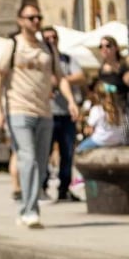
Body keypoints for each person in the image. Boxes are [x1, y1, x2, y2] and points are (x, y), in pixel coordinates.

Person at [0, 4, 78, 228]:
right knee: (28, 158)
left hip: (45, 112)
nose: (36, 21)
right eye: (31, 18)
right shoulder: (12, 46)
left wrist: (70, 101)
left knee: (41, 163)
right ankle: (30, 210)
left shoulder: (47, 49)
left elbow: (60, 78)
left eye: (38, 17)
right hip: (19, 110)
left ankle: (27, 209)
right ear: (20, 20)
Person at [40, 25, 86, 203]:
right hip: (47, 113)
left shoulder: (67, 59)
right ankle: (42, 187)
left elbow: (81, 76)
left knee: (67, 153)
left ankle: (64, 189)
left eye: (54, 38)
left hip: (66, 114)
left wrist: (61, 80)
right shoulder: (41, 61)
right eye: (47, 38)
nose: (51, 41)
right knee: (45, 152)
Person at [76, 81, 129, 155]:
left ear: (97, 96)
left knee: (78, 150)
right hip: (118, 140)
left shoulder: (96, 109)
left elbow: (88, 131)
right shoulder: (120, 109)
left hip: (101, 141)